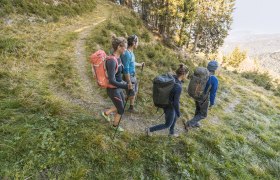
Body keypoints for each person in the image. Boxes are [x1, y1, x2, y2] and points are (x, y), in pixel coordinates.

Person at [101, 35, 134, 132]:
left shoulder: (119, 58)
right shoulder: (111, 61)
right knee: (121, 109)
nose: (126, 49)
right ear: (119, 47)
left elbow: (119, 76)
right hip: (112, 89)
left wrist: (126, 83)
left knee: (122, 104)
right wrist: (125, 86)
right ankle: (114, 126)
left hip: (118, 87)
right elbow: (111, 80)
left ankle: (106, 113)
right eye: (125, 47)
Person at [146, 64, 189, 137]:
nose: (187, 76)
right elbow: (176, 102)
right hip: (169, 106)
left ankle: (171, 133)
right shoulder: (178, 86)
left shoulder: (173, 78)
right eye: (187, 75)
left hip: (165, 101)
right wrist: (178, 112)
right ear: (183, 75)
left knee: (174, 117)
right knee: (167, 124)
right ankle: (149, 129)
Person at [186, 60, 219, 128]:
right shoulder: (214, 79)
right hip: (203, 98)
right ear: (215, 69)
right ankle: (190, 123)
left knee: (198, 109)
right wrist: (212, 103)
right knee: (203, 114)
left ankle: (195, 122)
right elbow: (213, 93)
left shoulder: (202, 74)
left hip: (195, 94)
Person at [121, 34, 145, 113]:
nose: (138, 44)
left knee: (133, 92)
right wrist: (129, 82)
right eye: (137, 42)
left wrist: (140, 64)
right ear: (134, 43)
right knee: (131, 93)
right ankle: (120, 104)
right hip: (129, 76)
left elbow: (132, 63)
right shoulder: (127, 54)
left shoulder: (131, 52)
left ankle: (131, 107)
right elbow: (126, 69)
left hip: (132, 76)